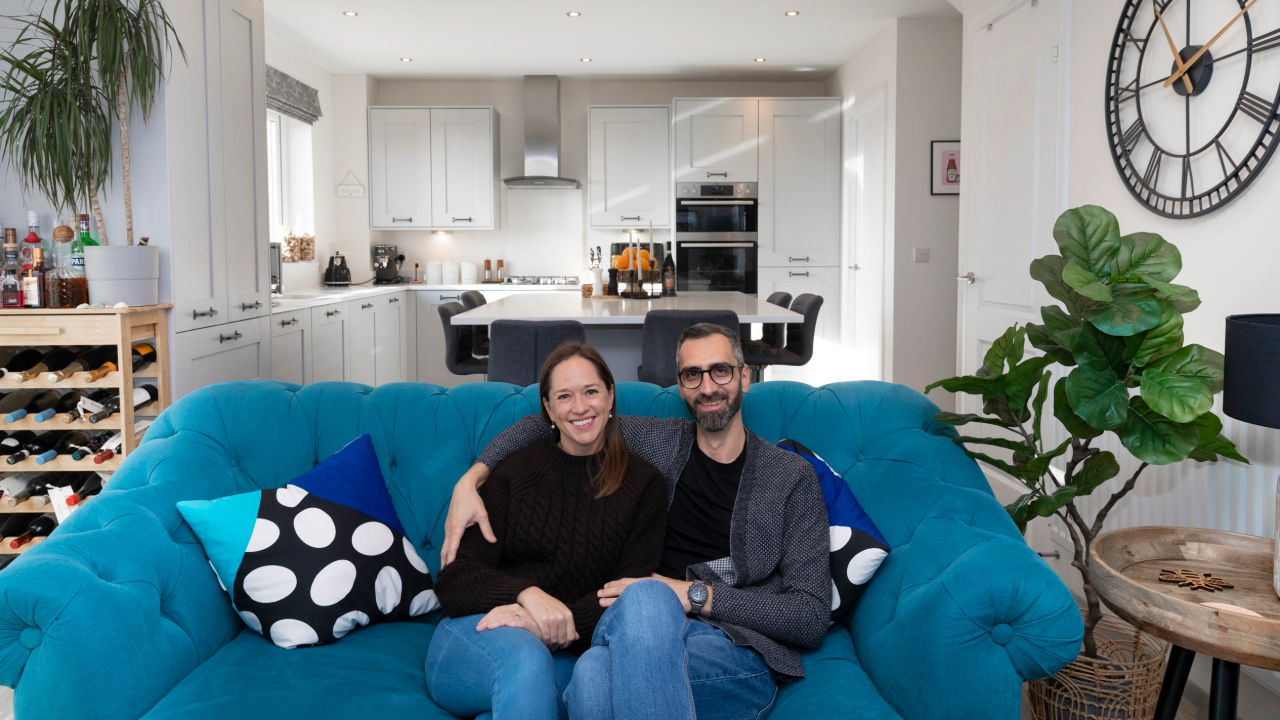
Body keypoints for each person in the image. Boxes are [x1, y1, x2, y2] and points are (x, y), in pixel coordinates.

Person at [442, 323, 830, 720]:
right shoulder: (659, 442)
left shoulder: (790, 477)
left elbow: (811, 617)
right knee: (595, 668)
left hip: (732, 646)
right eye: (693, 375)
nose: (708, 387)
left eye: (721, 371)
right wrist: (472, 478)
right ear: (680, 386)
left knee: (630, 620)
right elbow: (549, 425)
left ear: (745, 377)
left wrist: (695, 595)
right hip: (640, 629)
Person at [425, 342, 668, 720]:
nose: (581, 407)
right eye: (564, 396)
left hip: (565, 651)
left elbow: (624, 597)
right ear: (549, 408)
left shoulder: (644, 485)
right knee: (526, 660)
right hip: (478, 634)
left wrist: (550, 625)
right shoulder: (514, 474)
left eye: (591, 391)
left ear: (611, 396)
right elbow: (455, 580)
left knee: (582, 686)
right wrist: (527, 594)